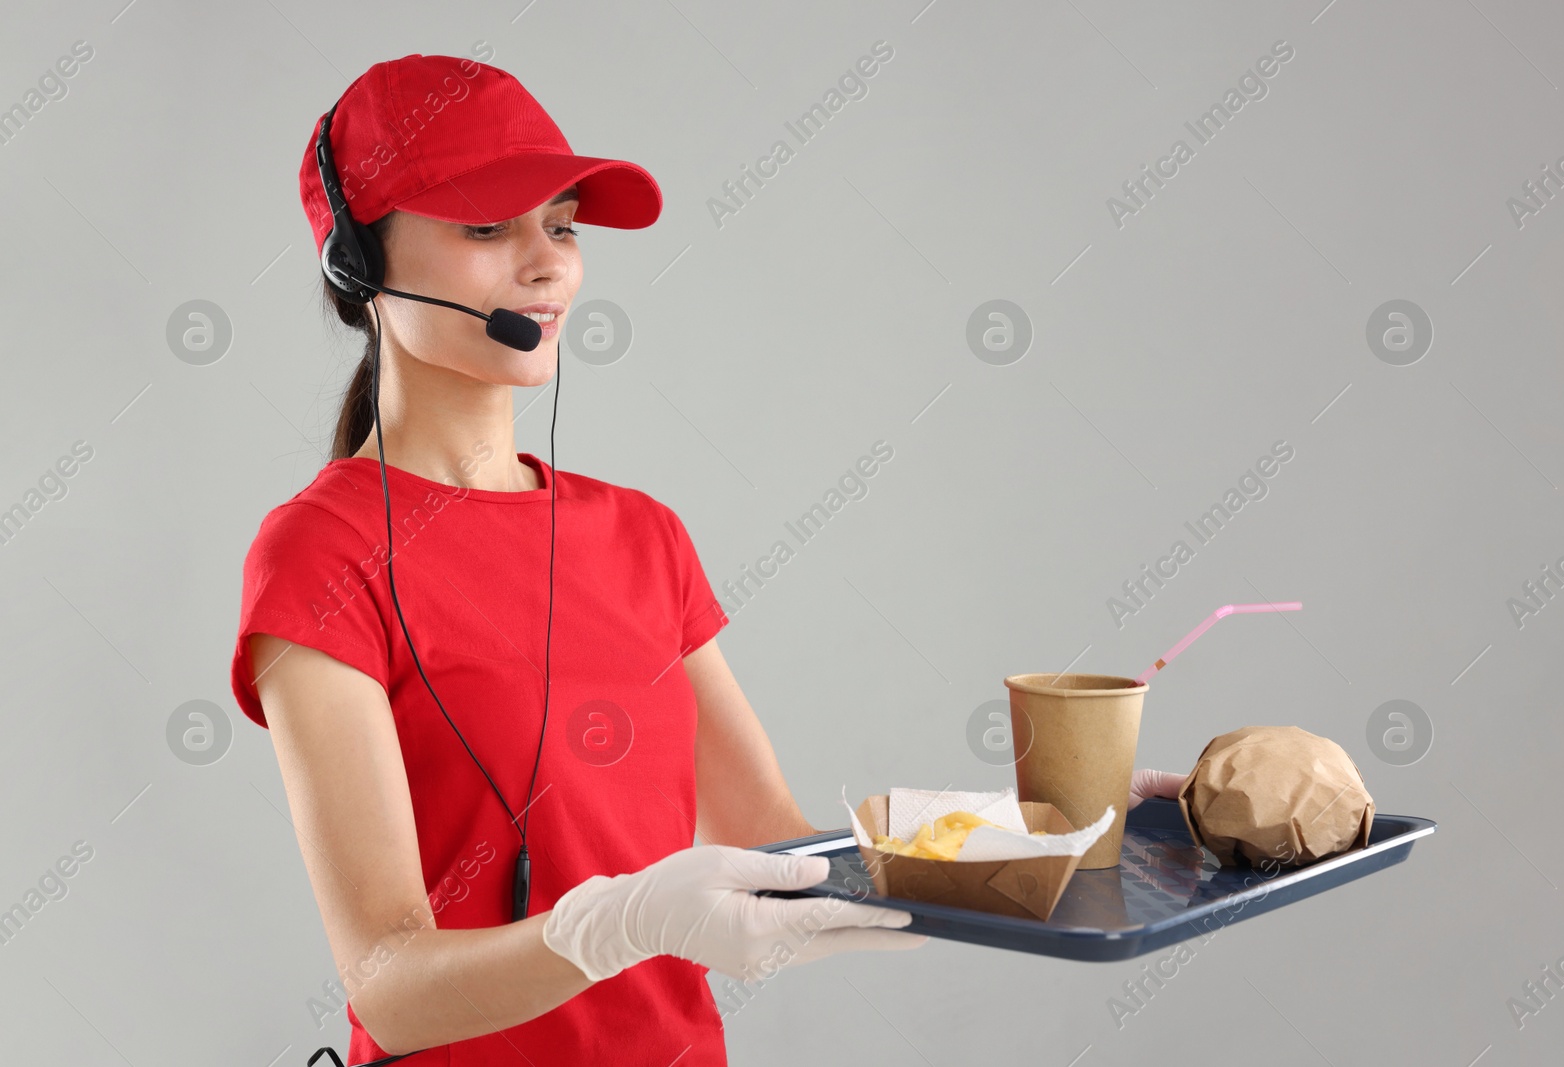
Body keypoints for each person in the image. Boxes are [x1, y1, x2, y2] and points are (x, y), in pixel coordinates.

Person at [230, 53, 1186, 1067]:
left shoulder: (640, 535)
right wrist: (619, 924)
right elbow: (390, 988)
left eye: (560, 224)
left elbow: (781, 844)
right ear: (358, 263)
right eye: (485, 226)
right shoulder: (320, 556)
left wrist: (1041, 831)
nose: (549, 264)